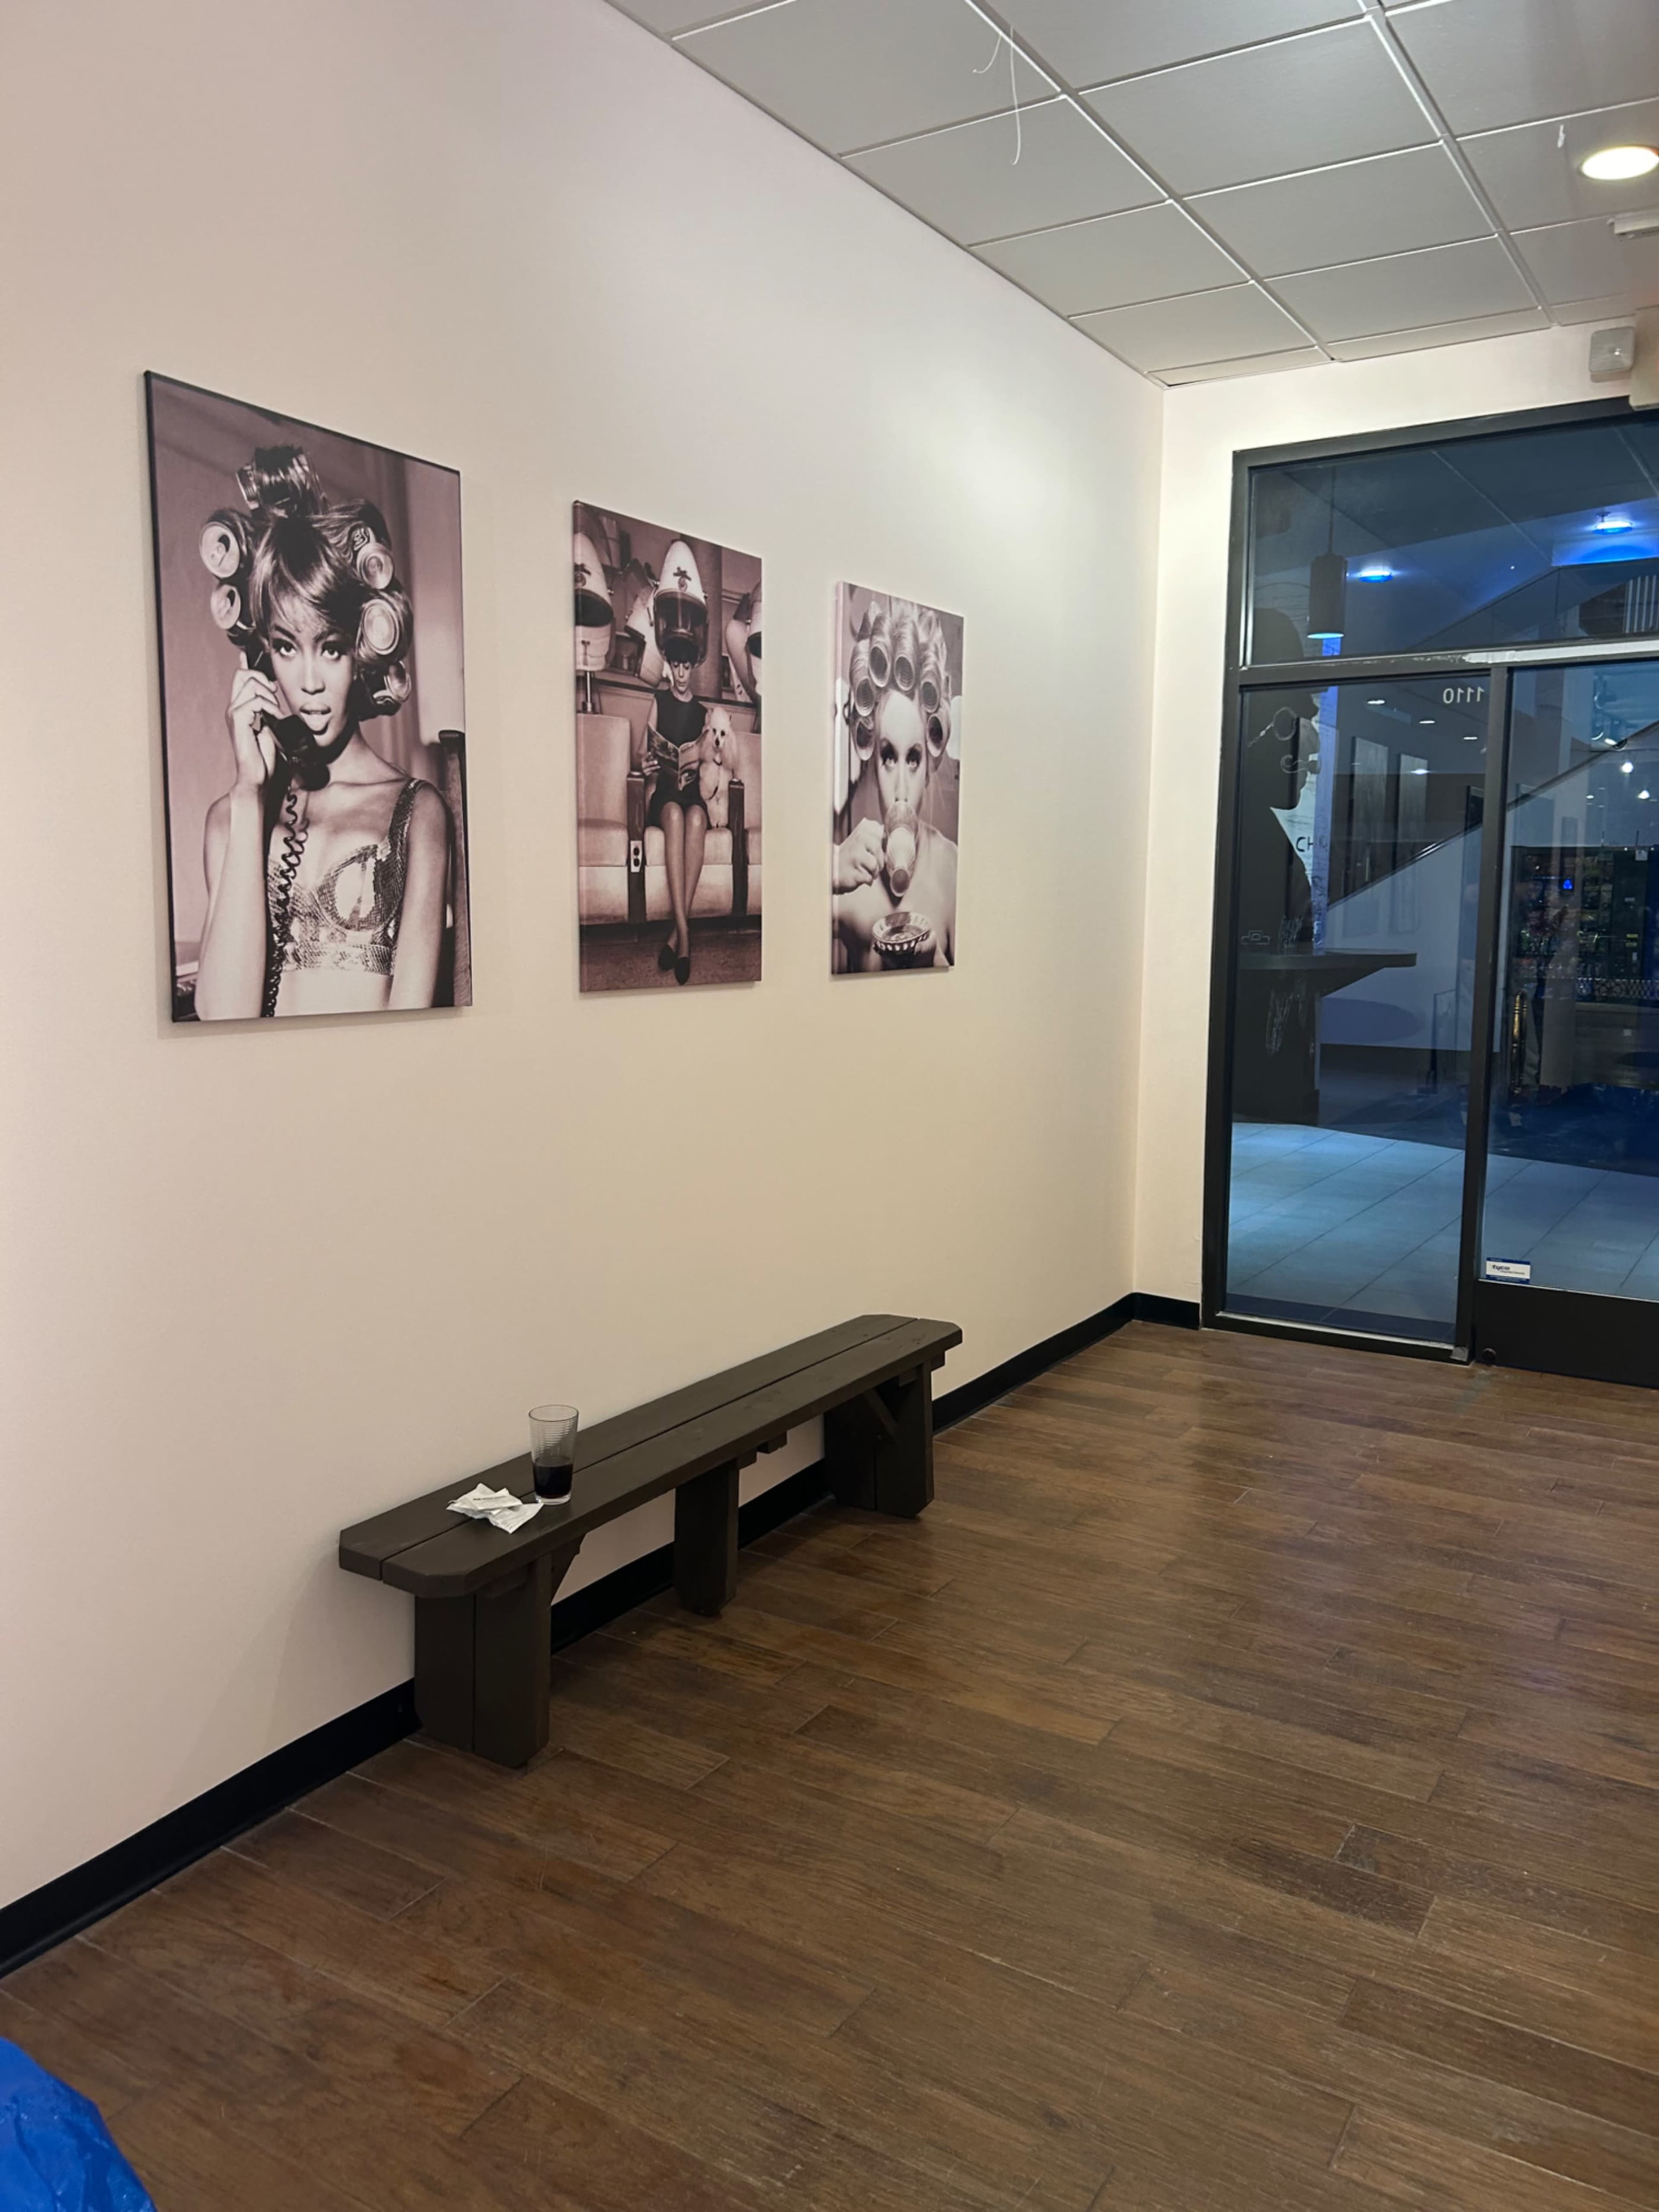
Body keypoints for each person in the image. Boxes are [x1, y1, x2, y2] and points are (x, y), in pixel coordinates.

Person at [192, 447, 451, 1020]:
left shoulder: (417, 812)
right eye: (286, 648)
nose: (308, 682)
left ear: (358, 653)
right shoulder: (230, 820)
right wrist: (246, 793)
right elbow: (223, 1017)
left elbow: (414, 1027)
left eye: (329, 649)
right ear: (261, 660)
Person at [833, 604, 957, 971]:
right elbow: (772, 918)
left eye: (914, 759)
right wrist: (829, 868)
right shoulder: (851, 874)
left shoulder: (954, 868)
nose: (902, 790)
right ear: (871, 758)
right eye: (889, 757)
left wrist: (936, 966)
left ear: (930, 766)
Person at [636, 538, 710, 985]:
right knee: (678, 820)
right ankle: (687, 936)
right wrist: (649, 764)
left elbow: (712, 765)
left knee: (697, 819)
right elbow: (643, 756)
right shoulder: (656, 700)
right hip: (664, 793)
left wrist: (701, 763)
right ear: (669, 665)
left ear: (694, 666)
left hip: (691, 790)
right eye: (676, 666)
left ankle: (674, 934)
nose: (682, 673)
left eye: (687, 666)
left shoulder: (704, 715)